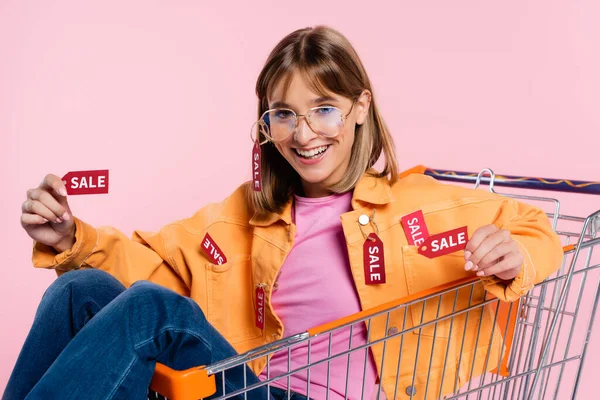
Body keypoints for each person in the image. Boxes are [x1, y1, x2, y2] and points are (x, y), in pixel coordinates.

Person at [4, 25, 563, 400]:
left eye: (324, 109)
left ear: (360, 107)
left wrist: (514, 253)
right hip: (256, 387)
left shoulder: (424, 203)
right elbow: (152, 270)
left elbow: (536, 227)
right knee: (76, 291)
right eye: (283, 115)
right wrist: (70, 237)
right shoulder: (243, 217)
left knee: (149, 308)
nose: (304, 134)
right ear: (266, 125)